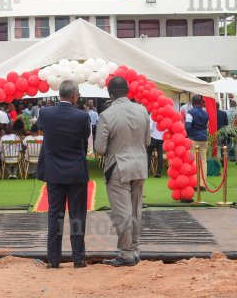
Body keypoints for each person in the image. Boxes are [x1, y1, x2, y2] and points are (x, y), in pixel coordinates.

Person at [95, 76, 151, 267]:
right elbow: (147, 141)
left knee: (123, 211)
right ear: (127, 91)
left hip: (118, 166)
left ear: (110, 93)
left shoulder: (107, 115)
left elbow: (100, 148)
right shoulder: (142, 110)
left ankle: (126, 253)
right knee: (136, 210)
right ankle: (134, 249)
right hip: (140, 165)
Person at [36, 80, 91, 269]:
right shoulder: (82, 116)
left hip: (54, 171)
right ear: (75, 96)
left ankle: (53, 259)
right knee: (77, 215)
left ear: (59, 94)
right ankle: (78, 258)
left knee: (54, 215)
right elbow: (84, 139)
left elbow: (43, 130)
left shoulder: (45, 113)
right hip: (76, 171)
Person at [185, 95, 209, 181]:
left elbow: (187, 126)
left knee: (193, 160)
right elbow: (207, 125)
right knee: (203, 161)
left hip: (193, 139)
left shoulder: (190, 112)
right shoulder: (205, 113)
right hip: (204, 138)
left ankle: (194, 182)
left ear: (192, 102)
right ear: (201, 103)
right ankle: (202, 182)